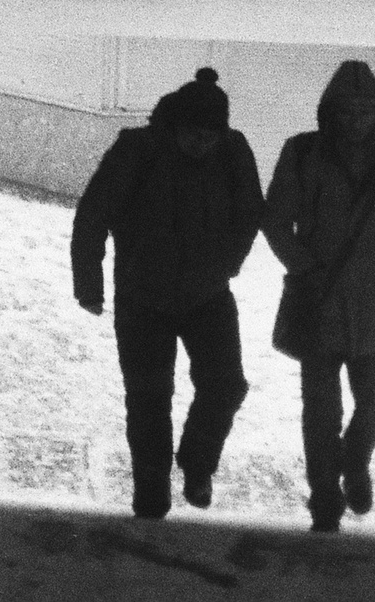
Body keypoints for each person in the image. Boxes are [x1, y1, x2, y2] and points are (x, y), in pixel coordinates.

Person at [71, 67, 264, 520]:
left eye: (210, 135)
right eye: (193, 134)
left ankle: (198, 464)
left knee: (226, 385)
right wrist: (90, 286)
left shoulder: (233, 151)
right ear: (174, 126)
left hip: (208, 295)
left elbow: (251, 210)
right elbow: (93, 214)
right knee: (149, 397)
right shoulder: (137, 150)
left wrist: (226, 264)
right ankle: (151, 490)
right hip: (144, 296)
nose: (202, 143)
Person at [262, 59, 375, 535]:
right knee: (321, 413)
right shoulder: (302, 154)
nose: (355, 119)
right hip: (317, 303)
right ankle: (324, 499)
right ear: (329, 112)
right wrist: (306, 269)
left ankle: (355, 460)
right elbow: (276, 220)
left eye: (365, 110)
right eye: (345, 110)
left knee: (374, 411)